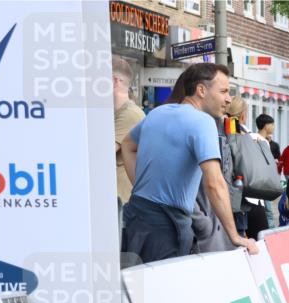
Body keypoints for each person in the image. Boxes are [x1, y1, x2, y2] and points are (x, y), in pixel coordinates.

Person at [120, 63, 256, 264]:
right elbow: (214, 183)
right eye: (224, 91)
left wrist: (140, 184)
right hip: (167, 227)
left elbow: (127, 145)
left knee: (133, 289)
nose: (229, 99)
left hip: (135, 216)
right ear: (201, 90)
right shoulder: (202, 122)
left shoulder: (158, 112)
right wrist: (234, 236)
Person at [224, 97, 271, 240]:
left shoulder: (219, 134)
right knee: (259, 244)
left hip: (224, 200)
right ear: (243, 115)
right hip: (251, 199)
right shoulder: (254, 139)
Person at [113, 55, 144, 224]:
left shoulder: (130, 114)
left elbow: (98, 154)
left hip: (121, 206)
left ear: (114, 81)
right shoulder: (116, 113)